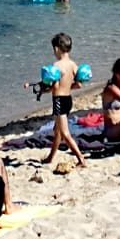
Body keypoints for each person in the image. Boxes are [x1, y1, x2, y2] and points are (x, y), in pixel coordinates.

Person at [41, 32, 86, 167]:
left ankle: (81, 159)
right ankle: (50, 158)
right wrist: (67, 87)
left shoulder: (56, 66)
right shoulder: (73, 65)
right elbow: (79, 84)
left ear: (56, 48)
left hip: (59, 101)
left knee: (65, 133)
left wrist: (44, 90)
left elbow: (54, 88)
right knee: (57, 131)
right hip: (68, 99)